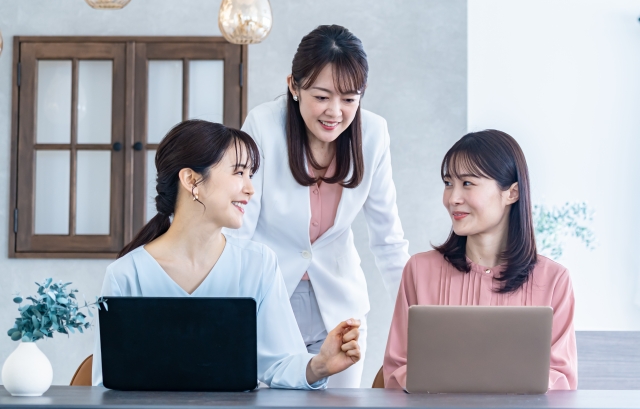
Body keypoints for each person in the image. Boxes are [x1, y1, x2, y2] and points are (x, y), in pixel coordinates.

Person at [92, 120, 361, 390]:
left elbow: (279, 363)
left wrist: (320, 364)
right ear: (191, 180)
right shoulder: (126, 275)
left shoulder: (259, 263)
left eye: (250, 175)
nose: (250, 189)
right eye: (239, 172)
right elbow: (108, 386)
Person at [229, 25, 410, 387]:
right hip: (270, 299)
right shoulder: (264, 125)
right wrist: (227, 311)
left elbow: (388, 240)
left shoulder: (373, 134)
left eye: (349, 99)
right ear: (294, 86)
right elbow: (239, 227)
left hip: (341, 309)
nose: (335, 112)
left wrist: (415, 318)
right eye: (322, 96)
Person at [383, 129, 578, 390]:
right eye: (448, 183)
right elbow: (396, 370)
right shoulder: (419, 270)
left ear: (512, 193)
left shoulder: (554, 280)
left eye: (467, 183)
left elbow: (562, 381)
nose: (452, 198)